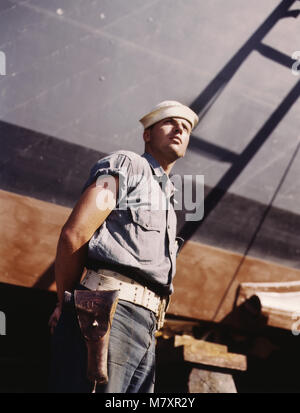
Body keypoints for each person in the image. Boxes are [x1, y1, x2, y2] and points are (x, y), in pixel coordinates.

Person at [48, 100, 199, 393]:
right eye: (170, 122)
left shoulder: (168, 196)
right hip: (108, 313)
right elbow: (75, 234)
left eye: (187, 127)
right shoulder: (127, 165)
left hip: (147, 326)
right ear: (147, 135)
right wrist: (66, 304)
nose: (180, 128)